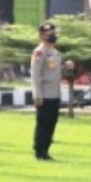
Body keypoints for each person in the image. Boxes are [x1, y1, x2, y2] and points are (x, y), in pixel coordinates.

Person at [31, 21, 61, 162]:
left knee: (51, 123)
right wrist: (37, 94)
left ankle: (46, 150)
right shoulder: (40, 52)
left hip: (54, 93)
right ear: (42, 35)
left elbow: (56, 72)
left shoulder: (54, 52)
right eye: (49, 33)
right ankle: (39, 150)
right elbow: (35, 74)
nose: (52, 35)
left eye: (53, 32)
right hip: (44, 94)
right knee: (43, 123)